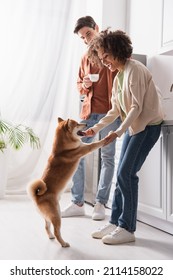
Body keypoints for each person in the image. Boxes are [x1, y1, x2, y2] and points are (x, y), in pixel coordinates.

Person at [83, 29, 164, 244]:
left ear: (117, 50)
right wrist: (96, 128)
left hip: (148, 126)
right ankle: (116, 221)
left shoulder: (135, 70)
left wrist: (118, 132)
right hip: (134, 127)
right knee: (122, 173)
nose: (104, 61)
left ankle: (127, 228)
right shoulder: (119, 76)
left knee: (126, 174)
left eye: (106, 55)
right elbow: (116, 110)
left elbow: (136, 107)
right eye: (101, 58)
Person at [61, 16, 121, 220]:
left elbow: (121, 76)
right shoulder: (85, 57)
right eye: (82, 38)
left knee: (107, 157)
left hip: (110, 112)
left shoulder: (112, 49)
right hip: (88, 112)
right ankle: (78, 202)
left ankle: (100, 203)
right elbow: (79, 84)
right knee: (75, 152)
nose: (86, 40)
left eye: (88, 34)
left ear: (97, 28)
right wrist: (84, 85)